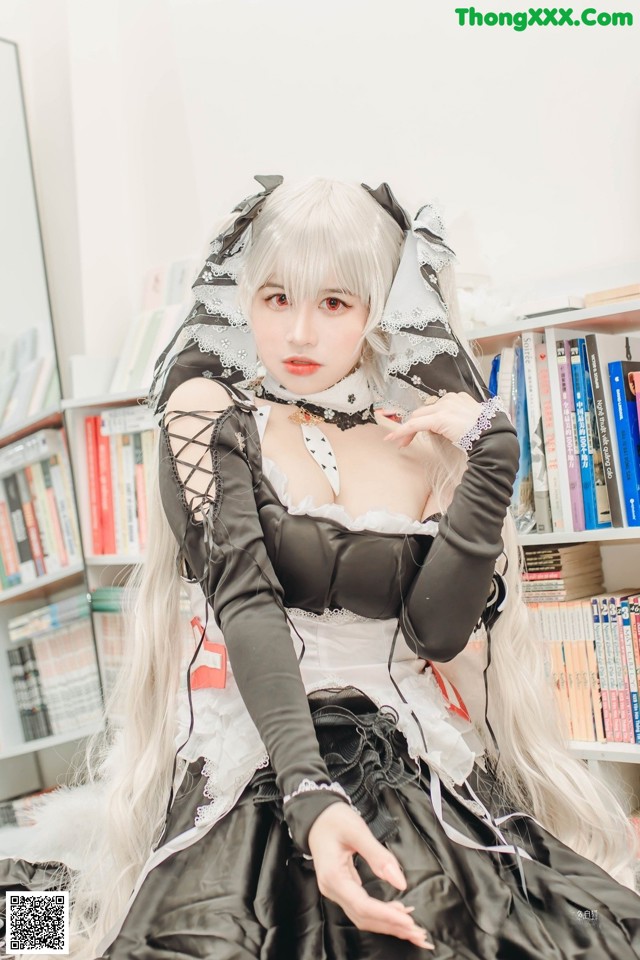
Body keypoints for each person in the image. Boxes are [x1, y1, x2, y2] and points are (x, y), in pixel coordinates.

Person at [1, 174, 639, 959]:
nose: (299, 333)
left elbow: (437, 632)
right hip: (267, 757)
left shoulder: (416, 431)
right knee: (76, 924)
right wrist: (307, 792)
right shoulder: (210, 414)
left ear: (376, 309)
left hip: (414, 754)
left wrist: (492, 457)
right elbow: (248, 607)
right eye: (275, 299)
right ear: (244, 299)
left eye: (334, 303)